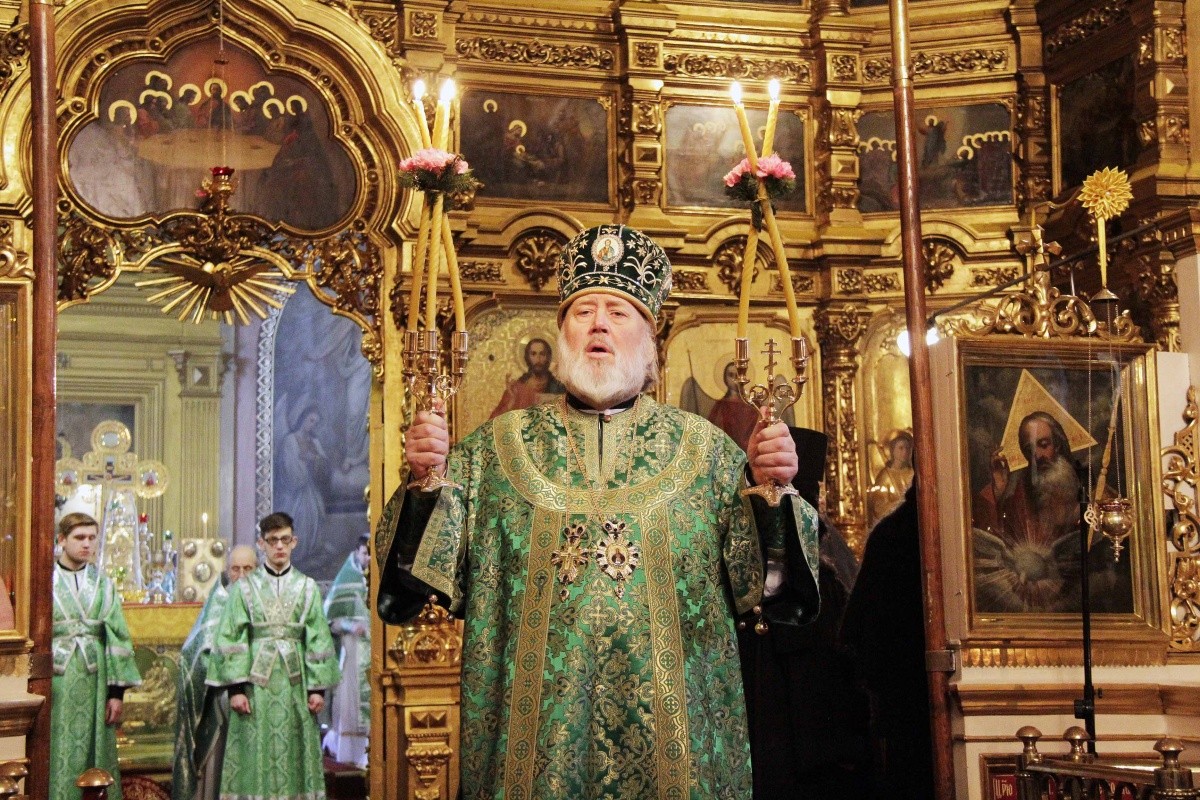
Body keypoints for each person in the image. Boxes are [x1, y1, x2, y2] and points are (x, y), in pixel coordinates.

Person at [377, 223, 820, 799]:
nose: (599, 325)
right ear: (562, 332)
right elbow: (413, 587)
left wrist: (771, 493)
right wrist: (425, 484)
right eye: (583, 312)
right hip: (534, 758)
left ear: (649, 337)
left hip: (677, 753)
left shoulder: (707, 453)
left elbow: (769, 594)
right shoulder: (495, 451)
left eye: (618, 312)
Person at [207, 512, 341, 800]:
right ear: (262, 544)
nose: (279, 546)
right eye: (272, 541)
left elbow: (318, 637)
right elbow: (230, 636)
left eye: (284, 539)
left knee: (294, 752)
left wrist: (317, 690)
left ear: (294, 542)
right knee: (254, 751)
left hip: (296, 687)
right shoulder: (244, 588)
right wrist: (236, 689)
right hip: (255, 688)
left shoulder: (307, 587)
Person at [841, 485, 934, 800]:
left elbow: (856, 631)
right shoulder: (897, 533)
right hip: (907, 694)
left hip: (900, 697)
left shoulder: (890, 532)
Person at [50, 512, 142, 800]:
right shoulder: (44, 581)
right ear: (62, 540)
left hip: (95, 679)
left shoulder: (103, 583)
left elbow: (118, 636)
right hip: (56, 678)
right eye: (79, 538)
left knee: (94, 747)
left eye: (92, 538)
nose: (87, 544)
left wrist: (116, 694)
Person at [972, 411, 1085, 612]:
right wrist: (999, 491)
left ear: (1058, 445)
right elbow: (993, 535)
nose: (1038, 456)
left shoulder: (1084, 483)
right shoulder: (1017, 488)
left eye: (1044, 445)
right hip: (1024, 593)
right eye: (1029, 449)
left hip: (1072, 592)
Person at [172, 544, 258, 800]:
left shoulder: (265, 600)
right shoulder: (219, 601)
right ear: (227, 570)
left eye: (248, 568)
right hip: (224, 697)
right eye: (235, 569)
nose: (241, 575)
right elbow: (195, 650)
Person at [323, 534, 371, 768]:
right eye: (365, 554)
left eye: (371, 554)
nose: (368, 559)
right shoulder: (347, 578)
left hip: (376, 651)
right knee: (351, 700)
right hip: (353, 651)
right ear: (357, 552)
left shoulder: (380, 579)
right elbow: (330, 620)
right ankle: (351, 753)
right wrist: (352, 626)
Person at [488, 337, 565, 418]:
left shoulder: (559, 387)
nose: (538, 358)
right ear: (527, 357)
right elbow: (494, 421)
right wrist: (512, 402)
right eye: (533, 354)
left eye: (542, 354)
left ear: (548, 357)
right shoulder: (516, 388)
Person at [707, 360, 760, 452]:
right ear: (725, 378)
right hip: (726, 452)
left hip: (750, 451)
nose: (734, 379)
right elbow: (712, 430)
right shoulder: (721, 405)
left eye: (738, 375)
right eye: (731, 375)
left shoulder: (753, 404)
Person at [866, 429, 914, 527]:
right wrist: (902, 505)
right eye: (901, 448)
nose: (905, 452)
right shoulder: (885, 476)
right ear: (892, 450)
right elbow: (879, 508)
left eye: (907, 448)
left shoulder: (912, 473)